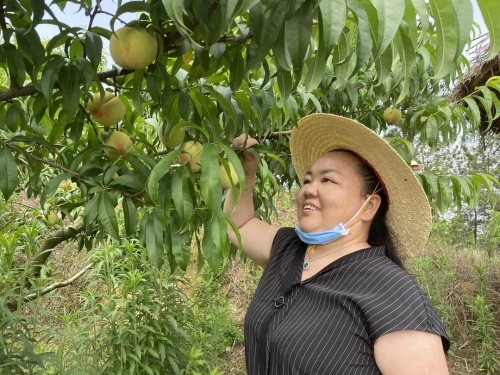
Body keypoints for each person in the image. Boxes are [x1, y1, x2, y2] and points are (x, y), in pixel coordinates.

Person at [223, 113, 450, 375]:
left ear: (369, 206)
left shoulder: (393, 294)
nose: (309, 189)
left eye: (327, 180)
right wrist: (243, 173)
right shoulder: (288, 249)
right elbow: (237, 225)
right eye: (307, 180)